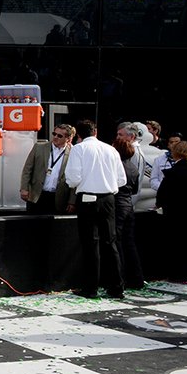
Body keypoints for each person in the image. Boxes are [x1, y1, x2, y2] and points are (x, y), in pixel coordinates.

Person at [64, 120, 126, 299]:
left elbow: (73, 179)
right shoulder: (111, 149)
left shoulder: (79, 149)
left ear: (78, 136)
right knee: (110, 242)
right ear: (96, 132)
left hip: (88, 199)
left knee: (91, 244)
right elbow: (121, 180)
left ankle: (90, 288)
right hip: (108, 199)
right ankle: (116, 287)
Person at [155, 140, 187, 283]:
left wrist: (159, 205)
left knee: (175, 244)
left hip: (174, 214)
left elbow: (162, 193)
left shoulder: (172, 173)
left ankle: (176, 274)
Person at [113, 124, 146, 290]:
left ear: (131, 137)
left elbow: (135, 187)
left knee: (120, 242)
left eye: (120, 135)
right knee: (128, 242)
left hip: (122, 203)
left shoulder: (131, 158)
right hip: (127, 203)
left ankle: (124, 279)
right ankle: (135, 279)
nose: (118, 137)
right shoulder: (132, 162)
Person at [19, 124, 73, 213]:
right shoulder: (39, 147)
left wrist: (72, 201)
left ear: (68, 138)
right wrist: (24, 188)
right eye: (54, 134)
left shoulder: (73, 153)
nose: (55, 137)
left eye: (60, 136)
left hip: (58, 198)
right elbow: (27, 169)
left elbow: (74, 178)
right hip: (37, 195)